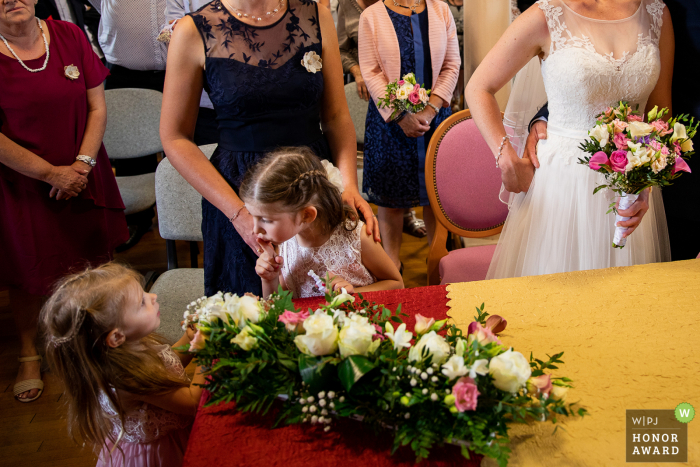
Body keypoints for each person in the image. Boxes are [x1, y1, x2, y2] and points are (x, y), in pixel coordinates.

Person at [161, 0, 379, 297]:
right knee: (253, 318)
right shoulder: (192, 30)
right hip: (242, 194)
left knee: (326, 306)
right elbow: (175, 137)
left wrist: (349, 185)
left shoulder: (316, 15)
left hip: (312, 185)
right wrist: (239, 214)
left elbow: (336, 116)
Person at [465, 0, 673, 279]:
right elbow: (479, 87)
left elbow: (659, 115)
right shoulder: (546, 14)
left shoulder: (655, 12)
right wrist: (506, 158)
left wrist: (645, 182)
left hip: (632, 190)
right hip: (563, 187)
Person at [0, 0, 128, 402]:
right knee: (28, 270)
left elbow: (96, 106)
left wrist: (81, 165)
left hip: (83, 171)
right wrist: (50, 174)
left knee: (93, 258)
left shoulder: (69, 35)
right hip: (21, 184)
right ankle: (28, 352)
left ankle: (102, 339)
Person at [41, 263, 204, 467]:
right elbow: (192, 403)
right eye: (142, 303)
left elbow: (166, 368)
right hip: (162, 453)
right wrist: (206, 354)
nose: (153, 296)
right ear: (116, 336)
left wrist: (188, 340)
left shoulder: (127, 347)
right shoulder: (129, 378)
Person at [358, 0, 460, 272]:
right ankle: (391, 267)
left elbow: (452, 64)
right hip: (390, 122)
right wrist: (401, 116)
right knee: (390, 197)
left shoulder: (440, 10)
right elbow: (371, 71)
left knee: (434, 194)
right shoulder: (372, 15)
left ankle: (437, 259)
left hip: (433, 118)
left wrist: (430, 110)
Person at [241, 147, 403, 298]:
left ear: (306, 215)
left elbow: (397, 284)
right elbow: (281, 305)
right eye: (252, 216)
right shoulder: (285, 245)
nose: (256, 229)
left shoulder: (355, 237)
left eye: (266, 220)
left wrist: (352, 294)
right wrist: (270, 280)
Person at [337, 0, 427, 238]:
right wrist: (357, 71)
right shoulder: (348, 6)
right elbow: (341, 49)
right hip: (377, 94)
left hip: (414, 90)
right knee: (390, 173)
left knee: (419, 168)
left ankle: (409, 215)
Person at [88, 0, 169, 251]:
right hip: (125, 71)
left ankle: (186, 213)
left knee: (187, 143)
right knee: (130, 146)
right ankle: (135, 220)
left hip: (180, 69)